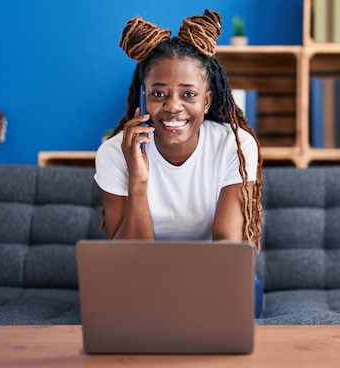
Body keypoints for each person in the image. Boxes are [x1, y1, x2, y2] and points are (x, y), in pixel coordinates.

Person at [94, 10, 264, 318]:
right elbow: (125, 258)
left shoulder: (235, 146)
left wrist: (185, 286)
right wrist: (138, 181)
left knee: (245, 286)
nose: (173, 107)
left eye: (189, 94)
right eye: (159, 93)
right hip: (140, 279)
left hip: (214, 279)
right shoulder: (113, 153)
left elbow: (228, 243)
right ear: (143, 97)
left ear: (207, 101)